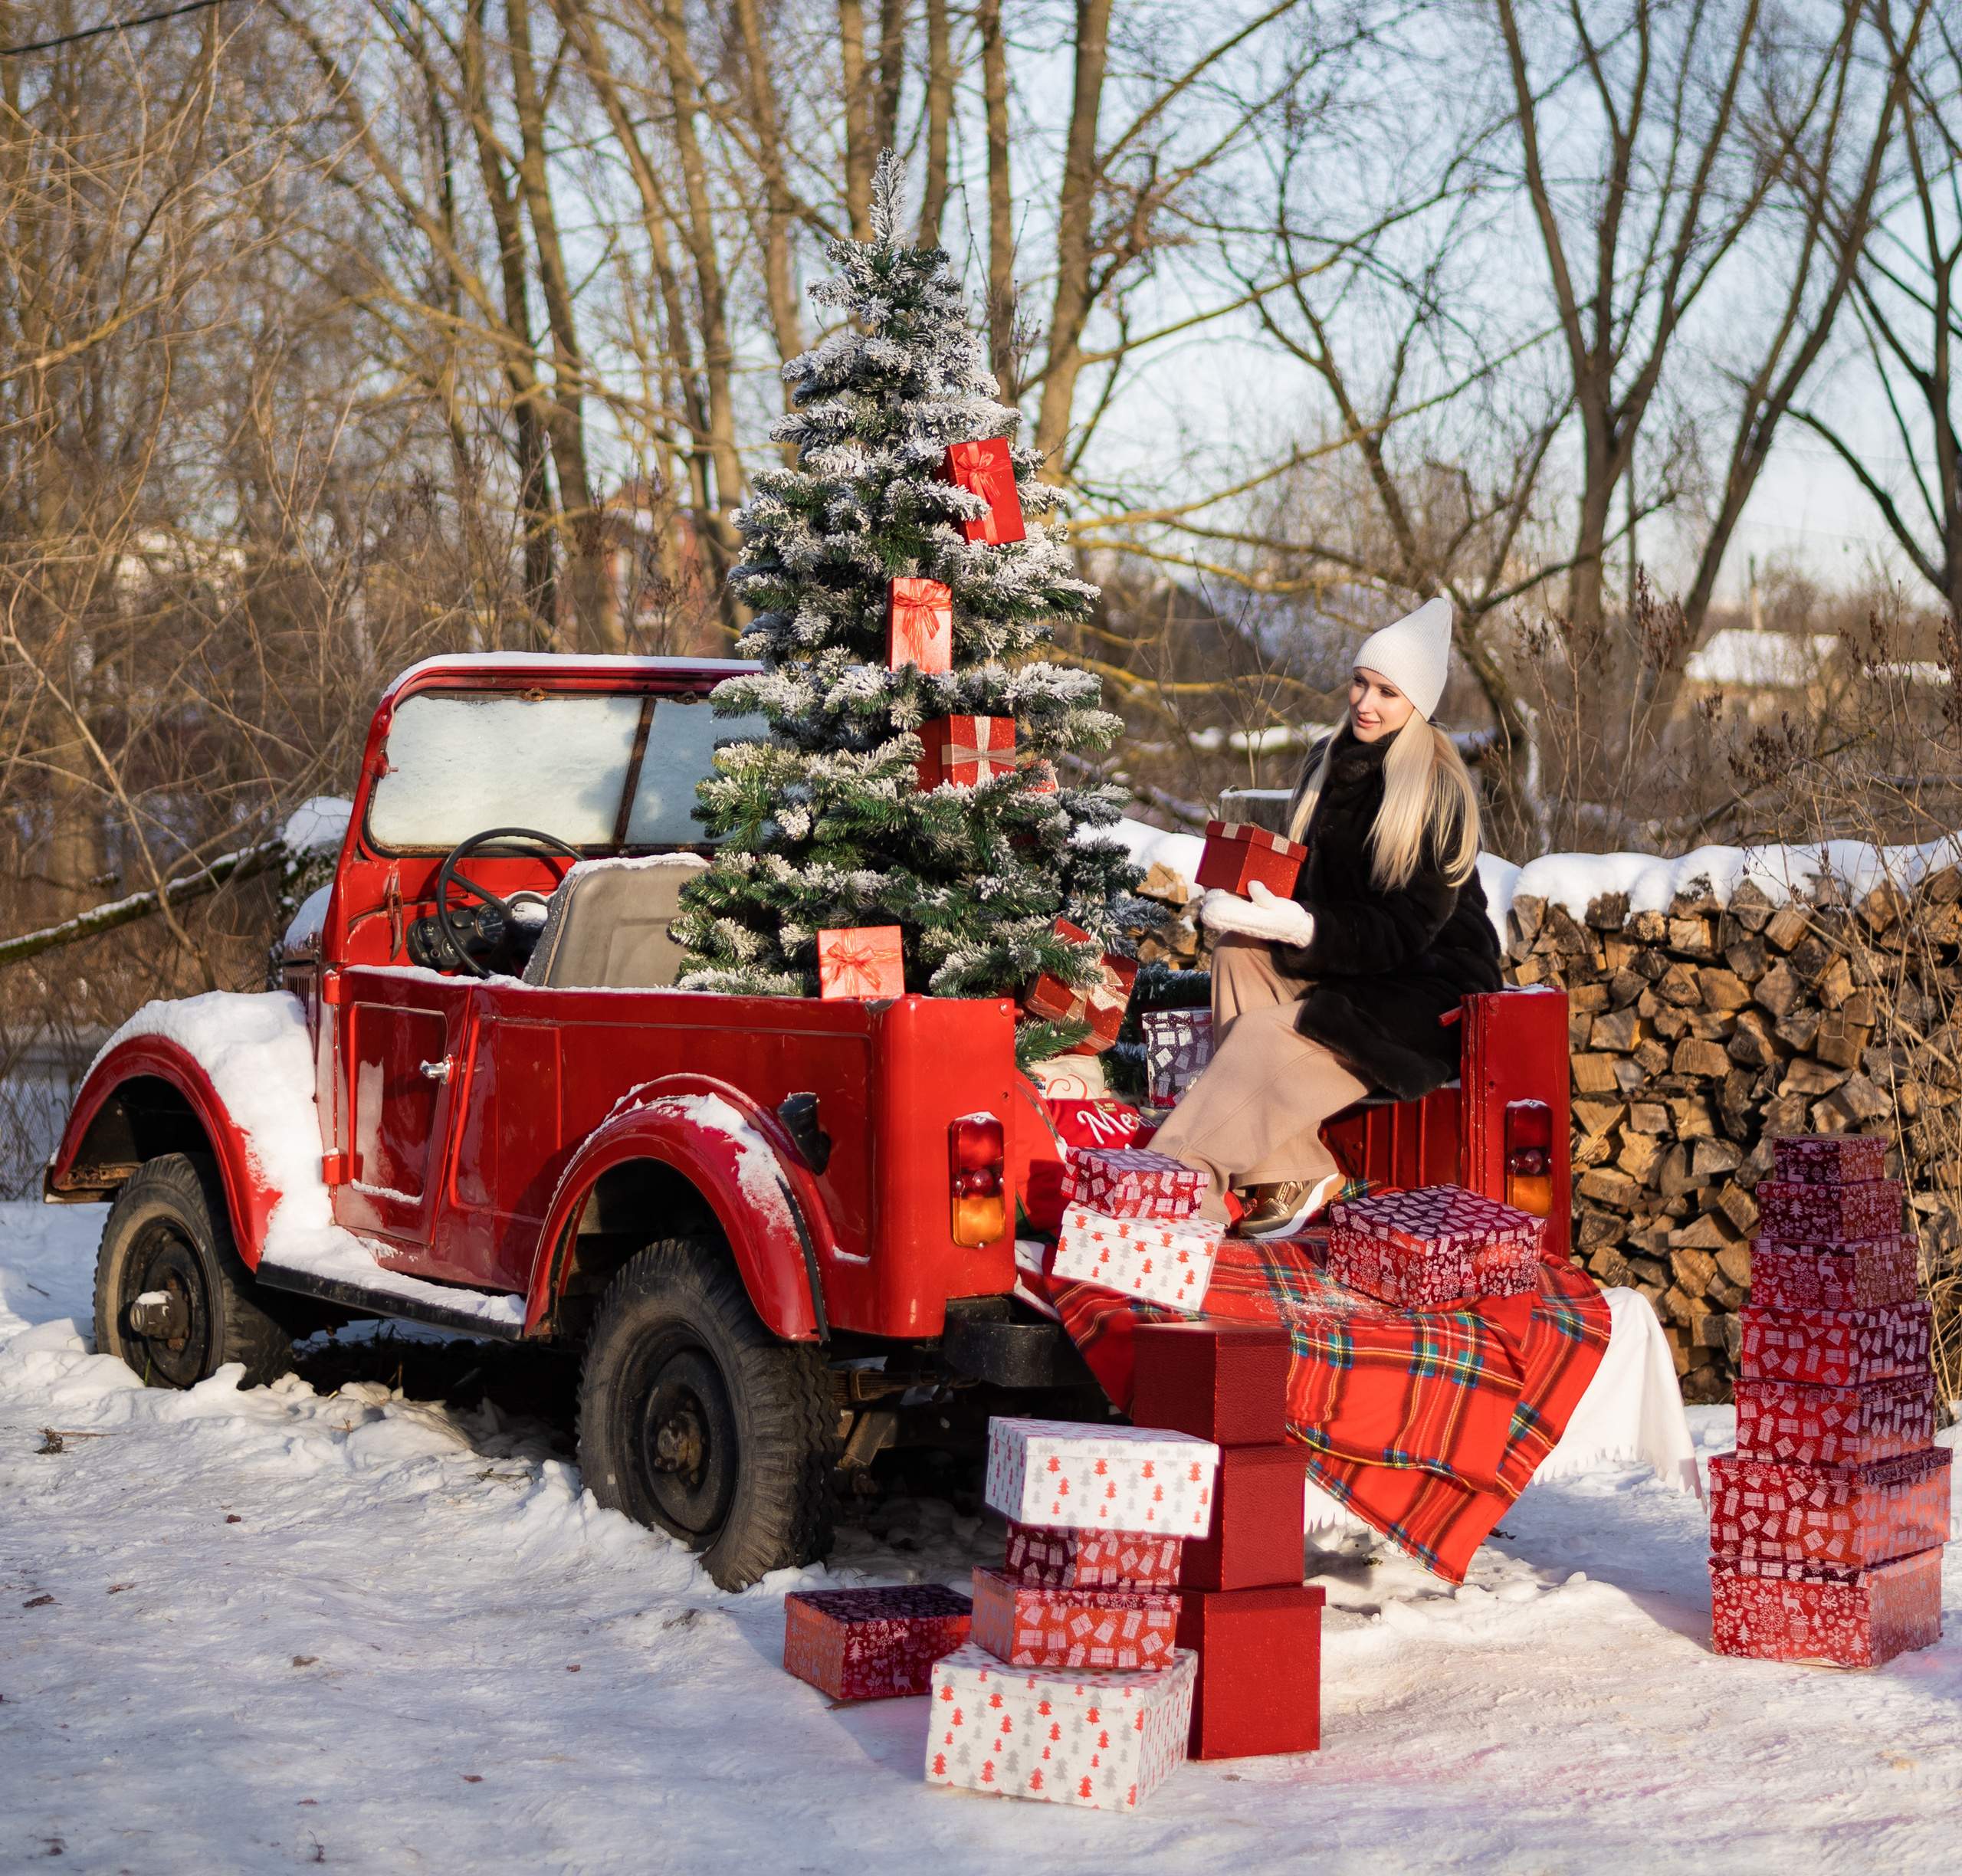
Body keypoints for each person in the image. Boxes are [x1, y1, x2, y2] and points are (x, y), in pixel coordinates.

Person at [1150, 597, 1504, 1236]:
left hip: (1424, 990)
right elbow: (1315, 888)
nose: (1366, 702)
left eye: (1388, 692)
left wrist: (1300, 927)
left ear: (1417, 704)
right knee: (1238, 951)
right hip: (1352, 965)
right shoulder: (1327, 763)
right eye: (1360, 682)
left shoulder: (1436, 790)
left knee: (1266, 1037)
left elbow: (1405, 930)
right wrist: (1258, 905)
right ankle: (1292, 1169)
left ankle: (1172, 1191)